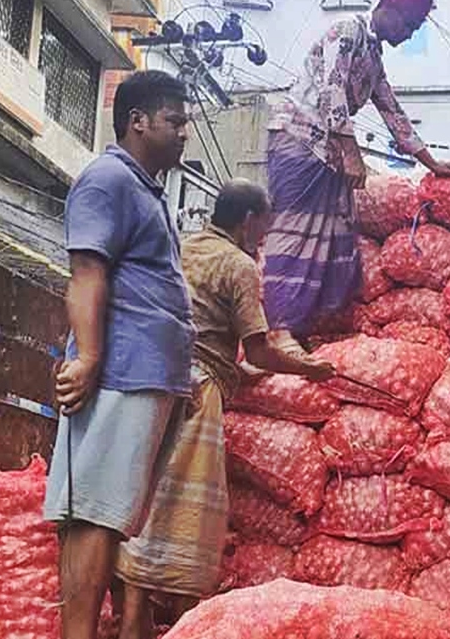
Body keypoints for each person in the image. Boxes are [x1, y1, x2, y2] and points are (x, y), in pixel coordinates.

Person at [114, 179, 336, 639]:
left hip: (154, 379)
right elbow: (258, 352)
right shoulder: (239, 264)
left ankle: (134, 617)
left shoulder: (186, 248)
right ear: (250, 220)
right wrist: (305, 369)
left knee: (147, 503)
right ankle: (185, 625)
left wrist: (240, 372)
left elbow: (205, 331)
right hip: (196, 394)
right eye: (264, 227)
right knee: (187, 514)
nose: (264, 237)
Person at [43, 70, 195, 639]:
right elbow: (86, 274)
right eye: (174, 122)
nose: (184, 134)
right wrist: (87, 357)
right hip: (119, 374)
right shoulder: (107, 181)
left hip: (147, 375)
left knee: (110, 517)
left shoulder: (145, 190)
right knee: (93, 517)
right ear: (137, 121)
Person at [261, 0, 450, 342]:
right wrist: (351, 152)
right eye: (409, 25)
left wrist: (433, 164)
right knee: (295, 238)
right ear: (388, 9)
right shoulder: (347, 30)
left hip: (327, 154)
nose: (409, 35)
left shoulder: (374, 59)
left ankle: (308, 331)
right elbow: (332, 91)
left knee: (336, 241)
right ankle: (279, 333)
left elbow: (393, 113)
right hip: (299, 144)